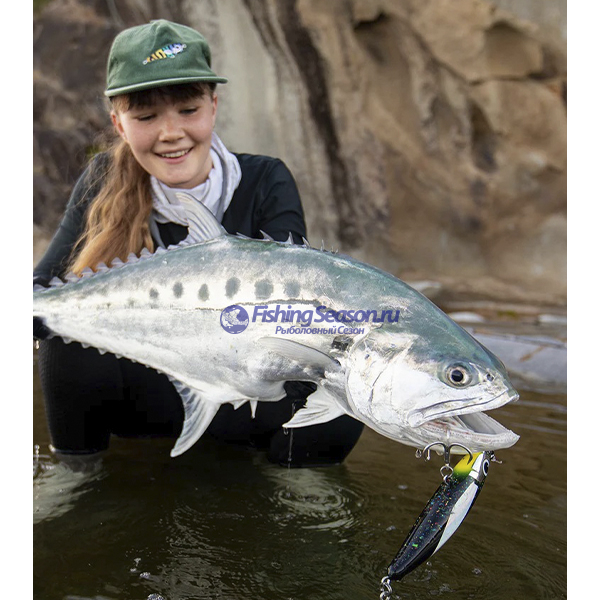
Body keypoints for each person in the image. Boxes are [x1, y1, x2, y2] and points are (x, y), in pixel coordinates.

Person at [34, 19, 363, 467]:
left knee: (344, 383)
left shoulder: (266, 179)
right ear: (119, 124)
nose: (171, 132)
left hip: (246, 397)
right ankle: (76, 473)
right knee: (63, 334)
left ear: (213, 106)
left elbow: (292, 308)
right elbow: (40, 289)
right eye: (146, 117)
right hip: (146, 397)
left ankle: (299, 484)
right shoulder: (101, 180)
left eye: (188, 110)